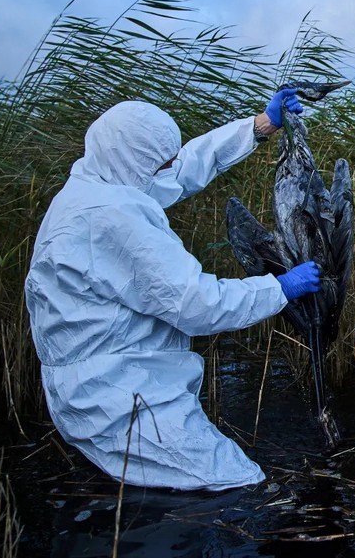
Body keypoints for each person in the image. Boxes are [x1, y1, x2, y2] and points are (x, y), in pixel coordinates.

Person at [25, 90, 322, 491]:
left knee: (149, 489)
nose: (169, 168)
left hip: (110, 381)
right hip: (118, 396)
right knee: (235, 482)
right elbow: (197, 305)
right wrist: (280, 288)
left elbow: (180, 171)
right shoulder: (110, 217)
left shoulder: (98, 183)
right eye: (159, 161)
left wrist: (259, 126)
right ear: (134, 159)